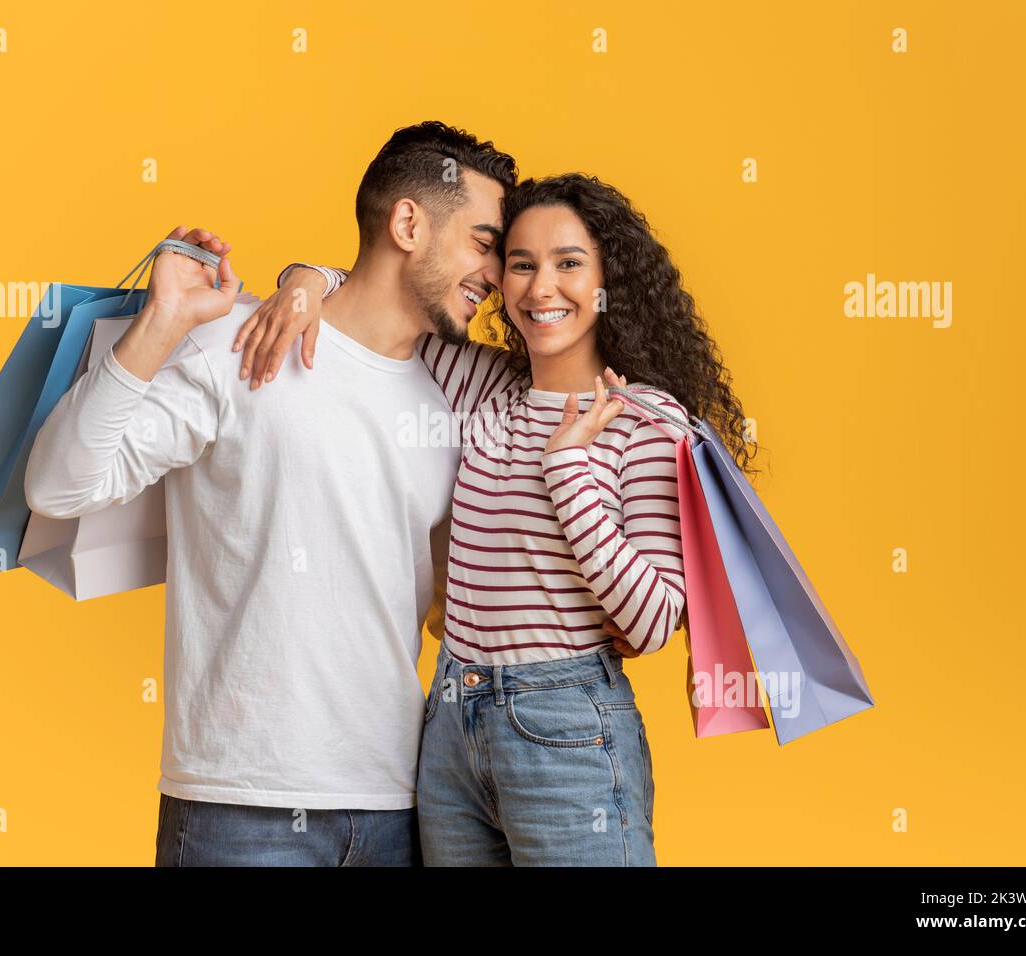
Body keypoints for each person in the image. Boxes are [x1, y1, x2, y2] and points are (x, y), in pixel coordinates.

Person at [23, 121, 522, 866]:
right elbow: (58, 486)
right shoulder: (238, 348)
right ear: (408, 223)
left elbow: (452, 602)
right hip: (237, 806)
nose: (496, 274)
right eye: (483, 242)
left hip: (397, 806)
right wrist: (162, 322)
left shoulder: (449, 397)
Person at [238, 172, 756, 865]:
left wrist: (568, 470)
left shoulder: (648, 423)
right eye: (521, 264)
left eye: (569, 264)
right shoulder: (483, 385)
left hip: (567, 727)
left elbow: (652, 621)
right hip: (449, 727)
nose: (542, 288)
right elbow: (378, 301)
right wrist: (304, 279)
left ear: (610, 282)